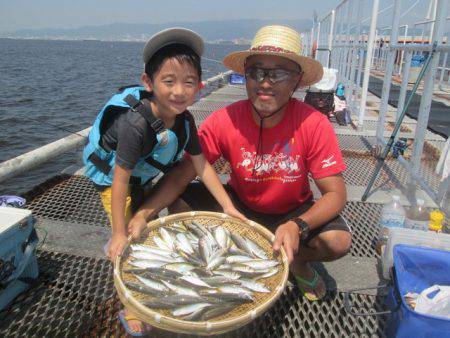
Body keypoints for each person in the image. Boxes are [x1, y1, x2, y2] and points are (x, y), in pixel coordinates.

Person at [128, 25, 352, 303]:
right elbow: (181, 175)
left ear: (296, 81)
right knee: (179, 202)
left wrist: (298, 225)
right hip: (239, 208)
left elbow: (335, 193)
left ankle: (294, 259)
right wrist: (143, 214)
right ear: (245, 75)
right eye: (256, 71)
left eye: (279, 73)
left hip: (293, 210)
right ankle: (241, 250)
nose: (265, 83)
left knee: (338, 242)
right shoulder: (225, 119)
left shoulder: (314, 124)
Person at [82, 27, 245, 336]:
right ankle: (130, 305)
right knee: (130, 241)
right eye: (168, 82)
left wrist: (228, 206)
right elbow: (119, 181)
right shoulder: (135, 125)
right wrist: (118, 233)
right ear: (149, 83)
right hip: (111, 179)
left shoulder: (185, 119)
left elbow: (202, 165)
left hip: (142, 173)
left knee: (165, 210)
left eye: (188, 82)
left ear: (198, 85)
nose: (179, 91)